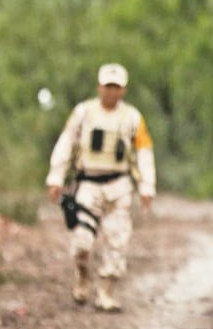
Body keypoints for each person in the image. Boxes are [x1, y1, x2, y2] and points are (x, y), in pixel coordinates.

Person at [46, 63, 156, 312]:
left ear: (124, 90)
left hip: (119, 184)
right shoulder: (83, 113)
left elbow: (144, 152)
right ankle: (82, 274)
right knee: (82, 240)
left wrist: (146, 186)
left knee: (117, 240)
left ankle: (106, 292)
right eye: (108, 86)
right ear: (99, 87)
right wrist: (56, 177)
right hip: (88, 183)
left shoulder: (132, 118)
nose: (112, 92)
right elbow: (66, 143)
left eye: (116, 87)